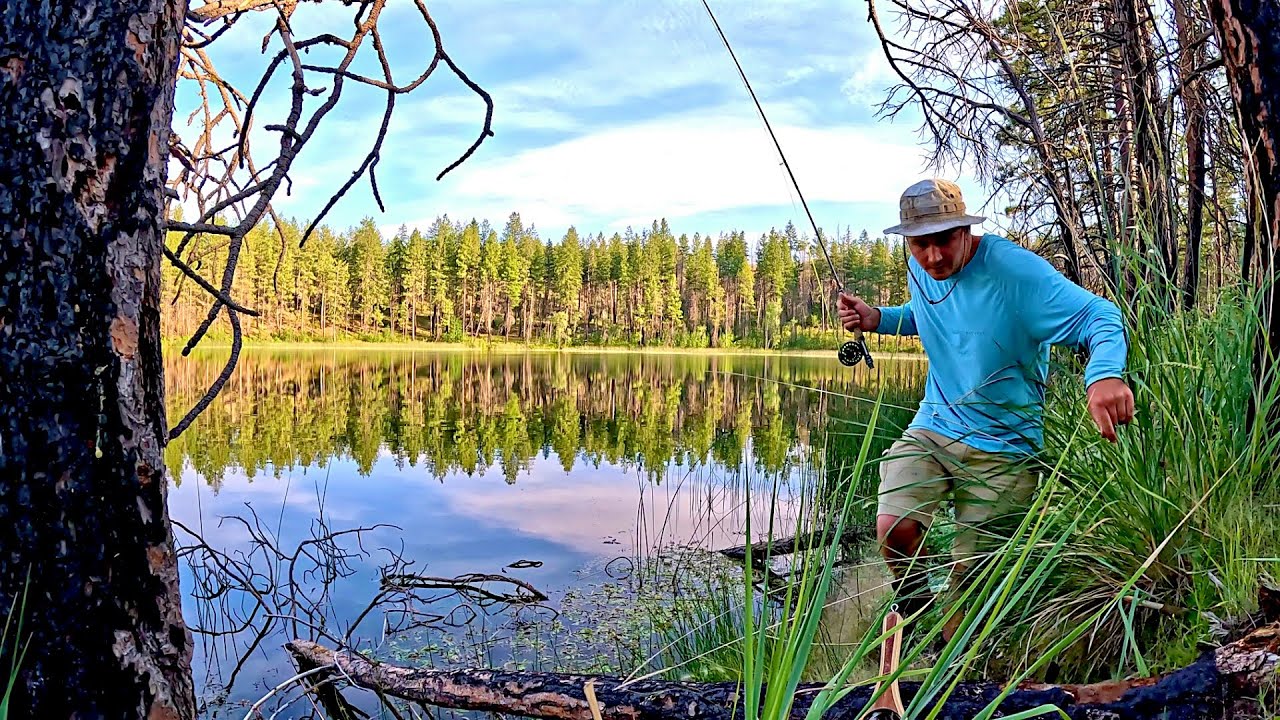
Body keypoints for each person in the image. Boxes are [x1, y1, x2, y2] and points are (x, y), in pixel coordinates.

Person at [838, 178, 1135, 638]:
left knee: (970, 596)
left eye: (943, 241)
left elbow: (1100, 316)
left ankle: (954, 653)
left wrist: (1104, 375)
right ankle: (915, 615)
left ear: (965, 230)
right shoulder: (921, 269)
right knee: (894, 527)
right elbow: (931, 313)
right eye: (920, 244)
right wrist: (880, 319)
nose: (933, 256)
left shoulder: (1015, 273)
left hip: (1005, 448)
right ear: (907, 242)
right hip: (935, 426)